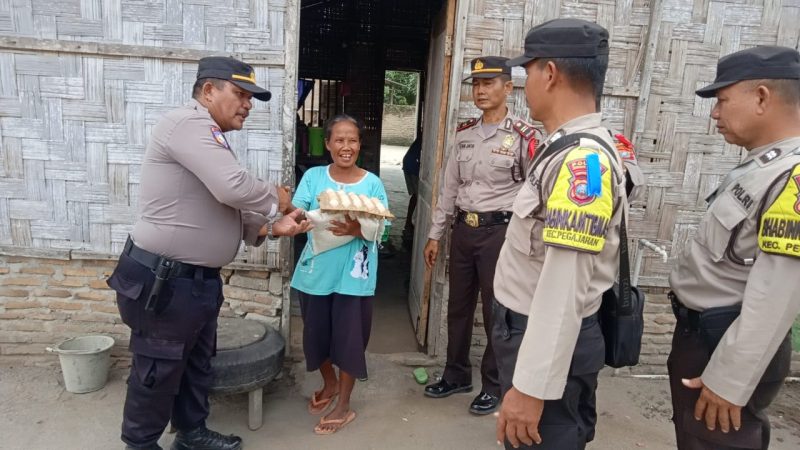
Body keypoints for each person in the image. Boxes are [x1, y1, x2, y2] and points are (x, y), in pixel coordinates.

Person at [105, 56, 311, 450]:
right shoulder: (188, 124)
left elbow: (219, 206)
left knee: (196, 364)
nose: (248, 104)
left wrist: (269, 227)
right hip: (164, 281)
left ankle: (192, 434)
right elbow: (232, 187)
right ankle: (140, 443)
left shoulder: (207, 134)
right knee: (158, 369)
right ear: (209, 91)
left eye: (251, 97)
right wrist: (278, 200)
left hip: (193, 283)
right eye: (240, 93)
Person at [492, 19, 627, 449]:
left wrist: (532, 387)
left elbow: (565, 283)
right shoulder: (565, 145)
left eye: (526, 72)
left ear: (548, 73)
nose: (523, 83)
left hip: (548, 344)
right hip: (539, 338)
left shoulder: (581, 161)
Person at [667, 46, 800, 450]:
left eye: (723, 100)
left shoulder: (792, 175)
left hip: (727, 341)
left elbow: (778, 293)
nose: (715, 113)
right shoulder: (761, 165)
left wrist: (731, 381)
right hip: (705, 335)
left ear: (762, 97)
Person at [423, 56, 538, 415]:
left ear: (508, 88)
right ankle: (456, 374)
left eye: (489, 83)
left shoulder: (524, 136)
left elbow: (537, 193)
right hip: (463, 232)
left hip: (499, 235)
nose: (482, 90)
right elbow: (449, 188)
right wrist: (435, 234)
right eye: (476, 84)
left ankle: (494, 383)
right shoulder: (465, 134)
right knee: (457, 307)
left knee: (495, 311)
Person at [290, 114, 389, 435]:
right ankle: (329, 384)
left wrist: (357, 227)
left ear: (360, 144)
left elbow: (383, 230)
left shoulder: (372, 183)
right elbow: (298, 211)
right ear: (328, 143)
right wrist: (294, 219)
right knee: (315, 336)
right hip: (315, 273)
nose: (346, 147)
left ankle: (344, 404)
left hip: (354, 277)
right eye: (340, 140)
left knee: (350, 341)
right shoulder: (315, 177)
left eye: (353, 140)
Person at [401, 131, 422, 249]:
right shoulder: (430, 136)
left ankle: (409, 226)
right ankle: (410, 226)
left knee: (417, 197)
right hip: (413, 166)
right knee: (419, 197)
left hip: (411, 164)